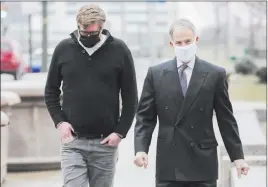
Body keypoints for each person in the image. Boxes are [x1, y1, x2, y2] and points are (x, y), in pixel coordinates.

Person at [133, 19, 249, 187]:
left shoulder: (215, 74)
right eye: (179, 42)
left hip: (203, 162)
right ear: (172, 44)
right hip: (169, 162)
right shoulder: (156, 74)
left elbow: (226, 119)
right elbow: (145, 117)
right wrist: (141, 149)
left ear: (196, 40)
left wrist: (238, 158)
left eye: (187, 41)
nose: (184, 46)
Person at [45, 4, 138, 187]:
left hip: (105, 144)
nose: (88, 37)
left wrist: (120, 132)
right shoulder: (64, 49)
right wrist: (60, 122)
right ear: (78, 26)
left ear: (102, 27)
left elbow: (131, 97)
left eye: (93, 34)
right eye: (84, 33)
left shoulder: (119, 50)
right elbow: (51, 91)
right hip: (73, 142)